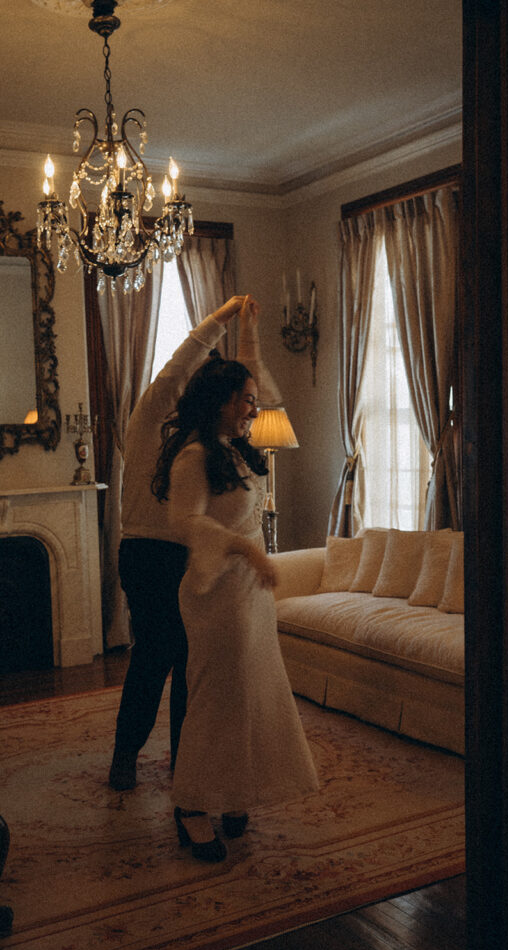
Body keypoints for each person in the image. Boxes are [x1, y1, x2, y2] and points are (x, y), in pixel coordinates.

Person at [152, 296, 319, 861]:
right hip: (215, 595)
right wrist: (247, 550)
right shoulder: (194, 457)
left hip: (251, 596)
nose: (254, 408)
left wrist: (249, 328)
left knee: (251, 695)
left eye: (251, 401)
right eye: (244, 402)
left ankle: (233, 793)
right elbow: (183, 521)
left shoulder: (235, 448)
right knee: (216, 701)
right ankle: (192, 806)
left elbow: (257, 385)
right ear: (220, 403)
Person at [109, 296, 251, 791]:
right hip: (147, 553)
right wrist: (221, 317)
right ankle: (125, 756)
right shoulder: (149, 414)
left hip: (190, 556)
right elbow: (180, 361)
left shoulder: (206, 442)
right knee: (154, 656)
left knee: (194, 662)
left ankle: (184, 762)